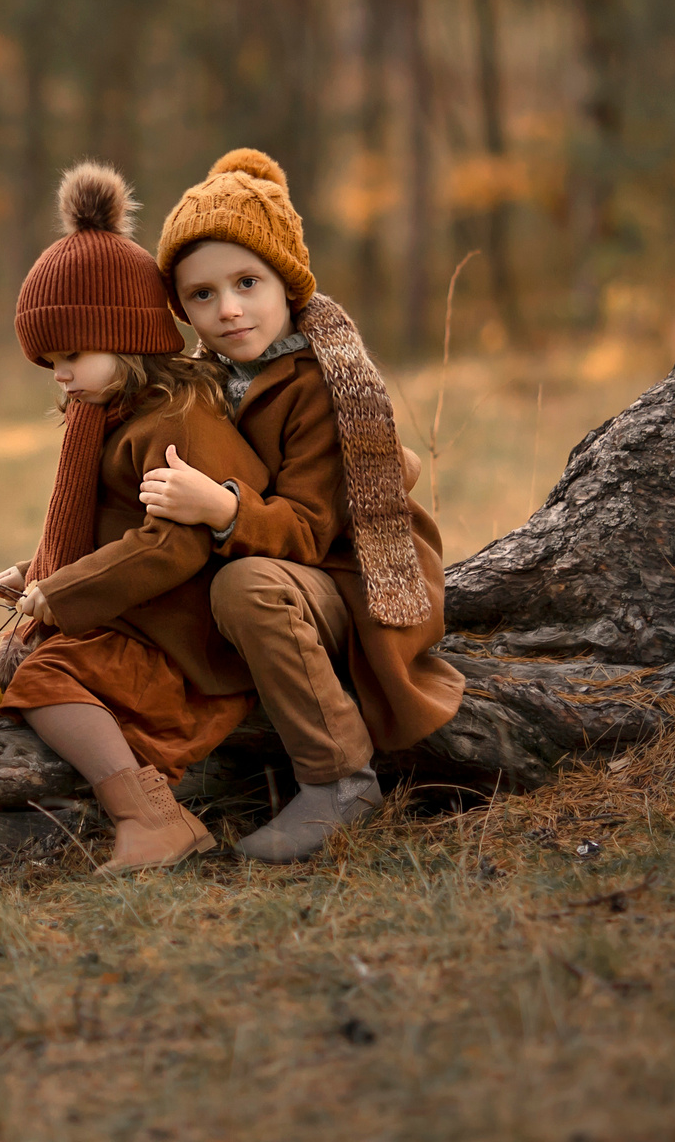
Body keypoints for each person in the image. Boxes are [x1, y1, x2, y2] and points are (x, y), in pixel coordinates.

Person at [138, 148, 464, 863]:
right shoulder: (205, 381)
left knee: (245, 584)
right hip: (281, 563)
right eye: (200, 295)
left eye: (247, 282)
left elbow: (310, 530)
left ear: (287, 281)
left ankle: (338, 780)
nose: (227, 309)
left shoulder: (320, 385)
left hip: (351, 578)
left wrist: (219, 509)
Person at [0, 160, 278, 873]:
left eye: (72, 355)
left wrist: (61, 594)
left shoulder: (176, 419)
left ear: (127, 337)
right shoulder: (109, 415)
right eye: (48, 360)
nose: (59, 374)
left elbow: (168, 549)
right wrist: (37, 572)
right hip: (136, 615)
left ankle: (150, 817)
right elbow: (103, 534)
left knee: (43, 675)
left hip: (185, 638)